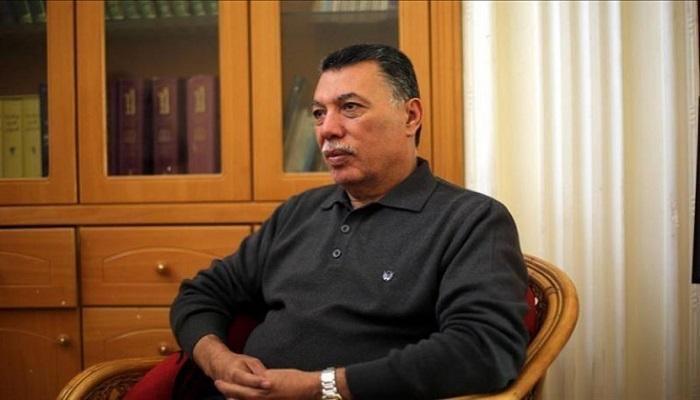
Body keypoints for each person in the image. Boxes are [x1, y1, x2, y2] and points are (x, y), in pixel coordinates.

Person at [170, 44, 529, 400]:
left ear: (410, 117)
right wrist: (220, 362)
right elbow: (201, 293)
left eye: (350, 107)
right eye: (318, 113)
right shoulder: (300, 211)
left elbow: (484, 348)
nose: (327, 129)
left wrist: (321, 388)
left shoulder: (472, 221)